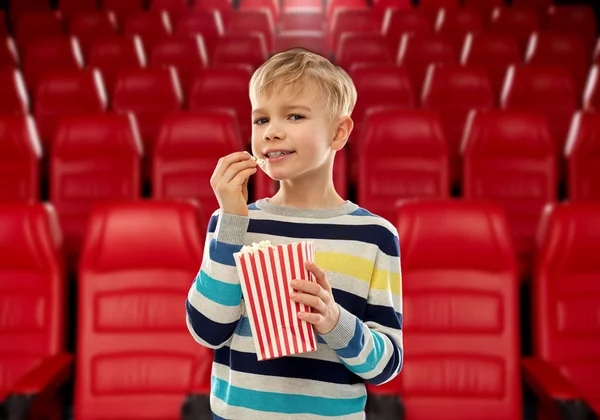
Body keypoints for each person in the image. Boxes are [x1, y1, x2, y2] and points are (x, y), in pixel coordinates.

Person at [186, 48, 403, 419]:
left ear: (339, 132)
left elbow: (387, 366)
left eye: (295, 115)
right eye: (260, 119)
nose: (271, 131)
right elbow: (207, 330)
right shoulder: (233, 222)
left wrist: (335, 320)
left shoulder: (374, 236)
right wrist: (232, 220)